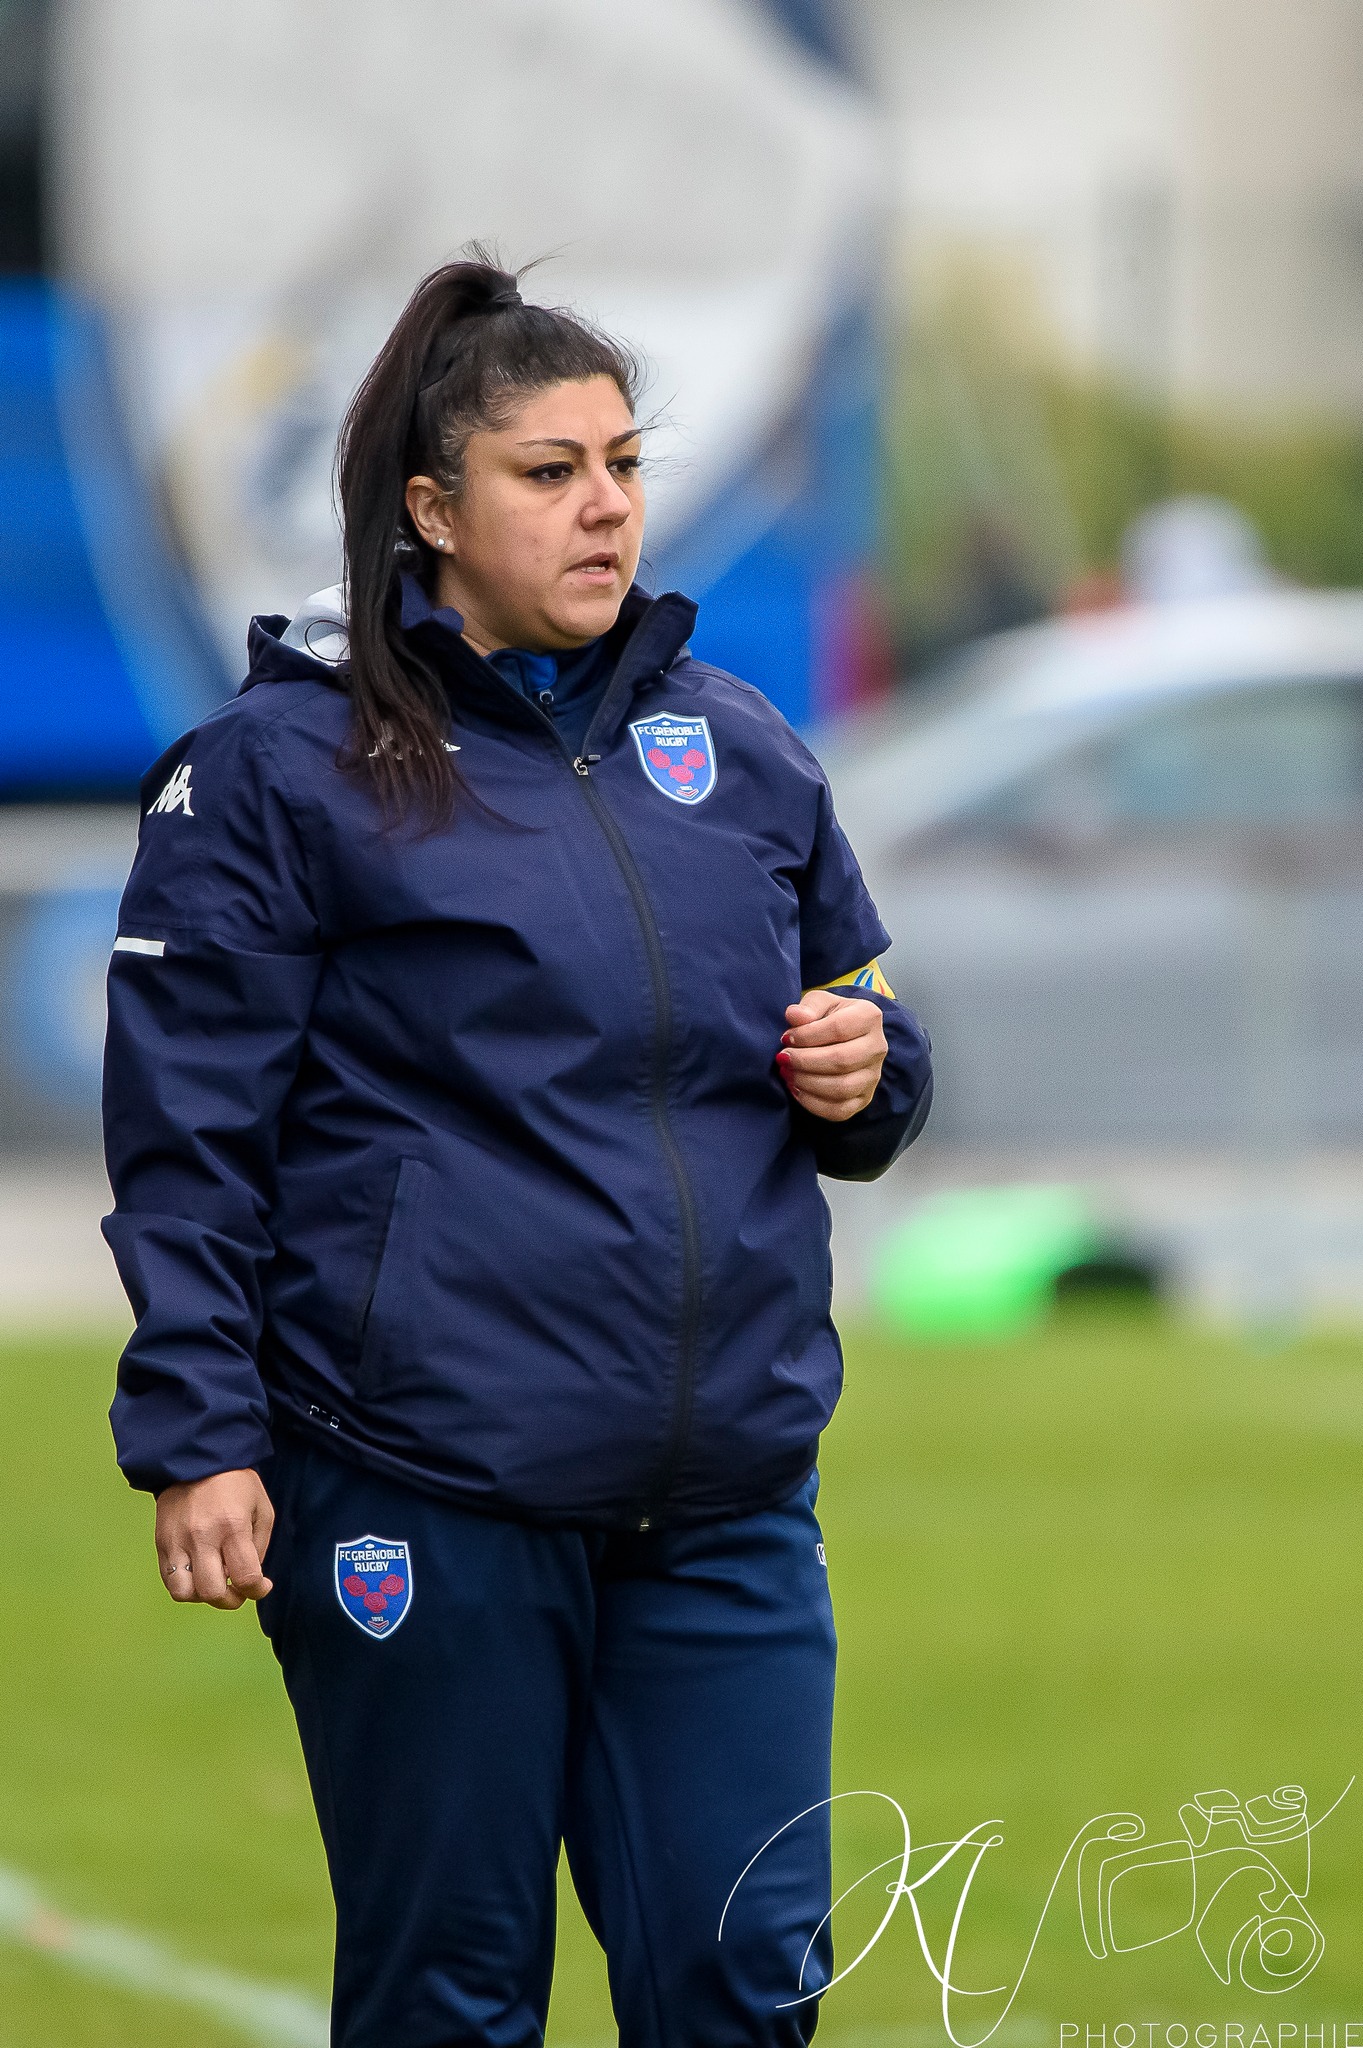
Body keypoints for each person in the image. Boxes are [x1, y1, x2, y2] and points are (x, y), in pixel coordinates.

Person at [103, 253, 932, 2048]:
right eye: (549, 472)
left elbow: (865, 1037)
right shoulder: (277, 771)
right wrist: (197, 1431)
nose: (606, 506)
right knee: (453, 2006)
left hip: (720, 1503)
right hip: (422, 1488)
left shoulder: (741, 747)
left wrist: (871, 1068)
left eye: (623, 463)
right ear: (431, 508)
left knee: (743, 1978)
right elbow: (187, 1136)